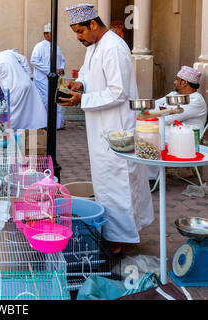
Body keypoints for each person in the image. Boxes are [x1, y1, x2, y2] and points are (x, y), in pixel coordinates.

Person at [61, 4, 154, 255]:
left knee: (118, 184)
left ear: (93, 24)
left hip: (116, 128)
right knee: (107, 183)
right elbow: (90, 77)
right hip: (100, 128)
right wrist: (78, 84)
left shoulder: (113, 46)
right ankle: (117, 233)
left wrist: (82, 100)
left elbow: (118, 92)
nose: (78, 37)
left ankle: (119, 238)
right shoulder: (94, 46)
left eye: (80, 31)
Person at [0, 45, 47, 130]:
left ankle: (11, 135)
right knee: (30, 111)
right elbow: (23, 59)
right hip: (28, 85)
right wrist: (29, 75)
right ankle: (32, 131)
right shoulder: (8, 53)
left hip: (15, 90)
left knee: (13, 116)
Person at [31, 23, 67, 130]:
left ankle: (57, 124)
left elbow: (62, 60)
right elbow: (34, 60)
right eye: (52, 34)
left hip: (57, 80)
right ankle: (44, 124)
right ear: (46, 35)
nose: (54, 36)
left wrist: (61, 68)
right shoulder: (39, 46)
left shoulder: (57, 47)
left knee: (58, 99)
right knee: (45, 101)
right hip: (43, 80)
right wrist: (50, 70)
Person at [155, 66, 207, 139]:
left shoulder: (196, 100)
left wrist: (164, 109)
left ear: (184, 82)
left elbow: (168, 120)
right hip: (172, 134)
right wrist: (168, 111)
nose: (174, 82)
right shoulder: (174, 94)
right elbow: (154, 104)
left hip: (188, 139)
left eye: (177, 80)